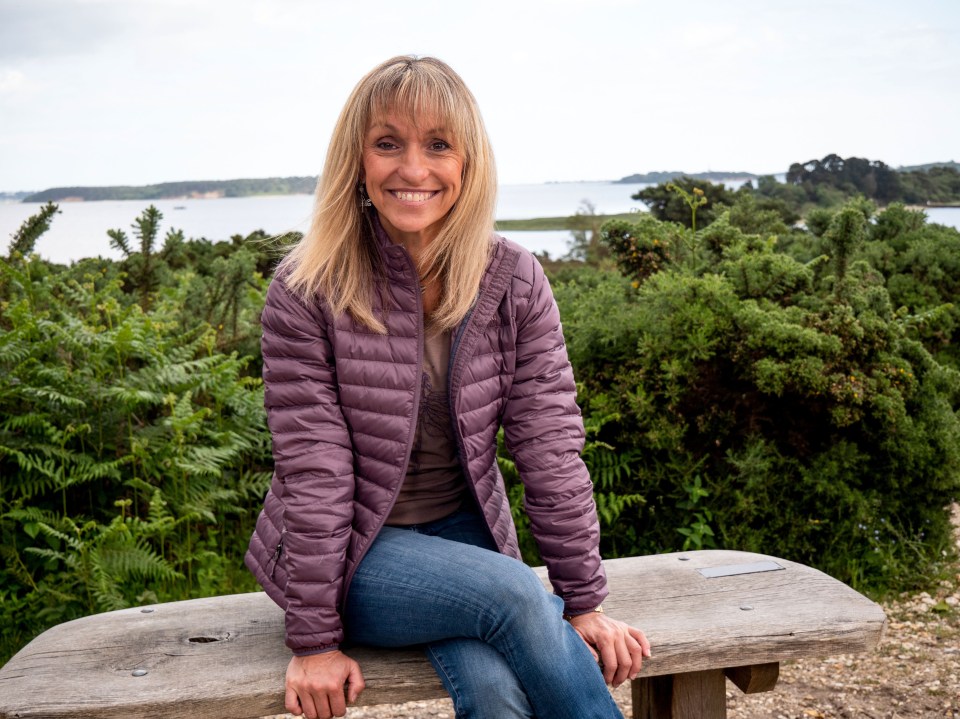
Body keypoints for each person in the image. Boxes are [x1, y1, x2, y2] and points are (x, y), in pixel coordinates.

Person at [245, 55, 650, 719]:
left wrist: (583, 602)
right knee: (517, 596)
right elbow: (313, 471)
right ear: (358, 160)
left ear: (469, 162)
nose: (412, 168)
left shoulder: (514, 279)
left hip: (466, 537)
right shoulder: (305, 289)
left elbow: (549, 446)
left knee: (493, 691)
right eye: (387, 144)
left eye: (438, 144)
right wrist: (314, 639)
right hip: (351, 554)